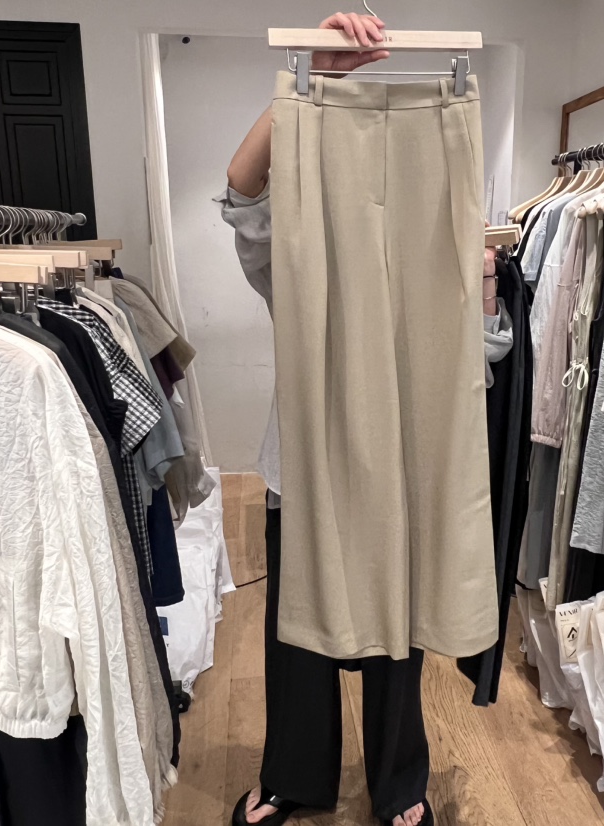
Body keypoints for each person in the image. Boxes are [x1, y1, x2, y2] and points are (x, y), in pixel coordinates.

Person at [220, 12, 507, 826]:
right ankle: (294, 776)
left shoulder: (442, 247)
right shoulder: (299, 250)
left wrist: (479, 289)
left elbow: (482, 357)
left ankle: (399, 783)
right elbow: (241, 192)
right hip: (307, 464)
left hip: (408, 460)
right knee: (297, 632)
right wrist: (312, 82)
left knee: (398, 628)